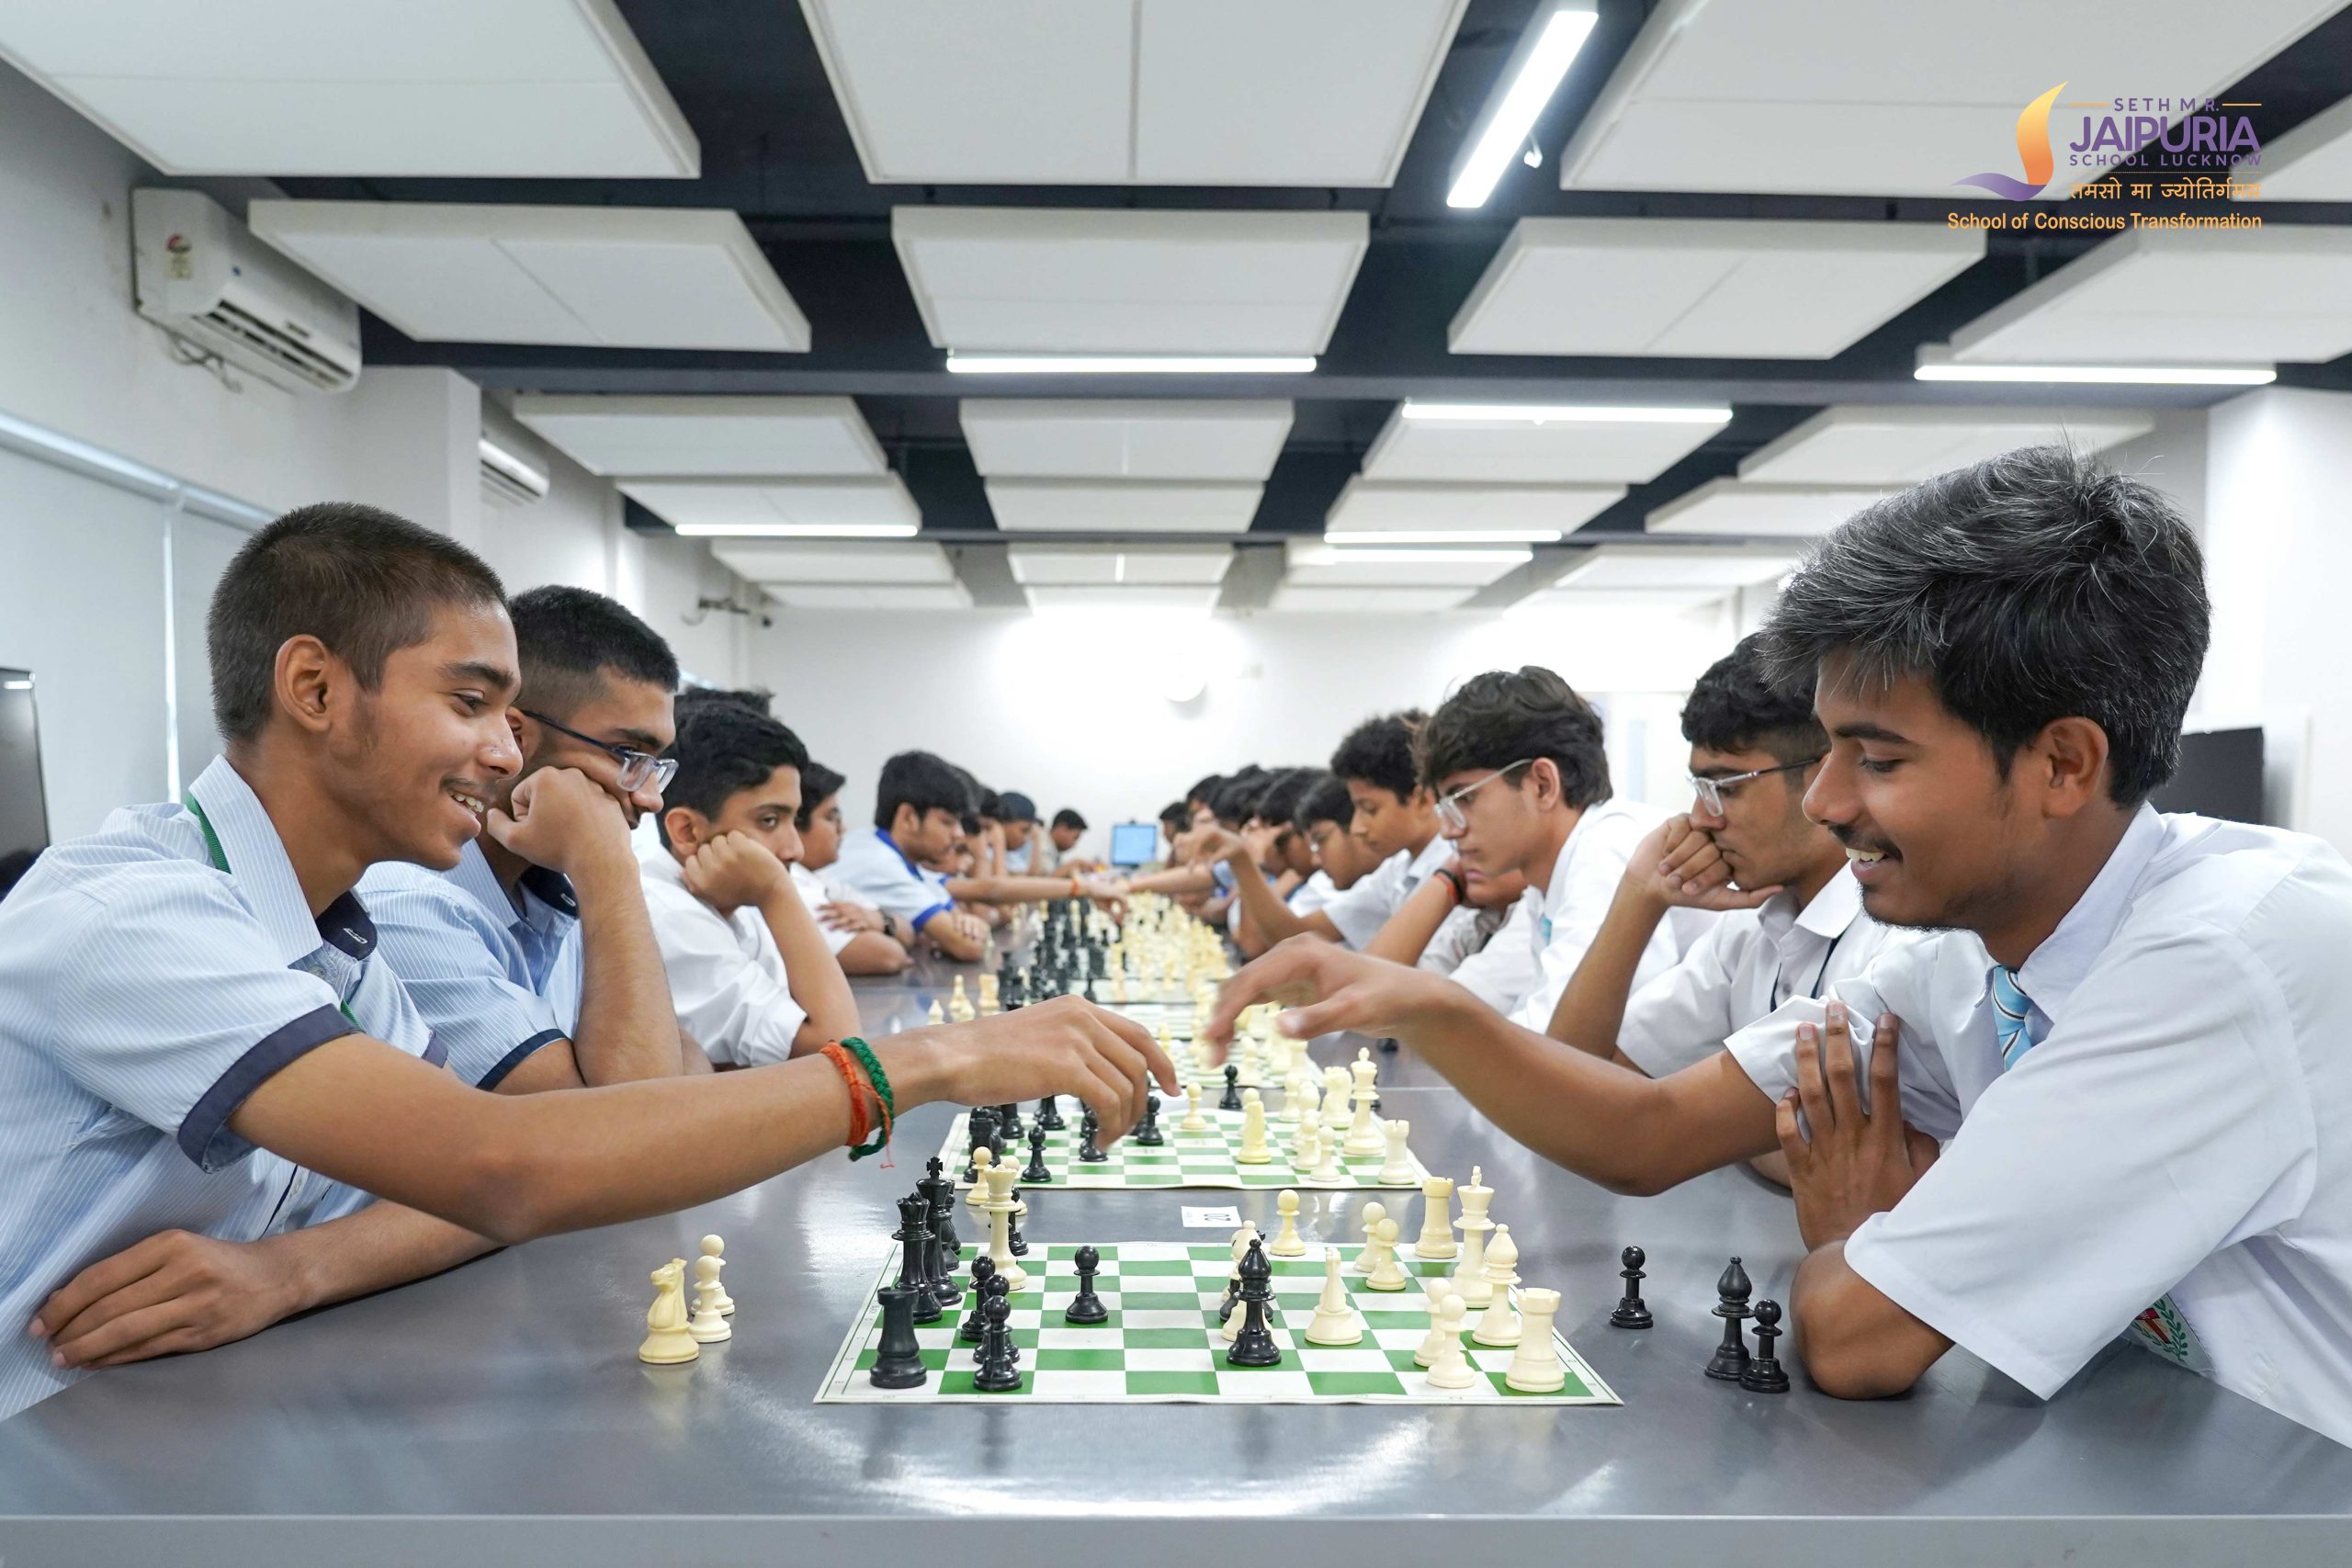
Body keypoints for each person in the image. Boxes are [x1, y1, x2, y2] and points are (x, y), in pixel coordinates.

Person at [1204, 446, 2352, 1450]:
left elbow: (1854, 1340)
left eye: (1878, 760)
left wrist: (1858, 1237)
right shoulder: (1959, 955)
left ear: (2061, 764)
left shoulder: (2220, 960)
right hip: (2156, 1461)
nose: (1829, 802)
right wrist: (1426, 1005)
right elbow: (1648, 1134)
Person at [0, 502, 1172, 1417]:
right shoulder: (132, 916)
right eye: (471, 704)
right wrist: (923, 1063)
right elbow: (506, 1168)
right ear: (313, 688)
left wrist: (293, 1271)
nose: (504, 754)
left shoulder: (336, 945)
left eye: (510, 718)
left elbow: (490, 1184)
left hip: (155, 1425)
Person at [1545, 634, 1907, 1186]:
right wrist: (1639, 897)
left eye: (1726, 788)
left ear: (1822, 778)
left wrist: (1717, 1136)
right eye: (1699, 788)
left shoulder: (1896, 935)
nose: (1700, 818)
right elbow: (1573, 1095)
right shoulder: (1749, 929)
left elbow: (1872, 1174)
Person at [359, 584, 696, 1093]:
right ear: (515, 736)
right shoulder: (406, 905)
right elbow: (639, 1112)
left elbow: (677, 1052)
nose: (650, 799)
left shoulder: (557, 893)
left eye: (655, 766)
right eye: (628, 755)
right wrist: (607, 867)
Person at [639, 703, 865, 1067]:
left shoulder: (734, 900)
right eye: (770, 820)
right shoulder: (667, 915)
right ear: (688, 831)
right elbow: (840, 1051)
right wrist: (776, 892)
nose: (795, 849)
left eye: (794, 820)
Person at [831, 751, 1125, 962]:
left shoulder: (889, 855)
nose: (959, 834)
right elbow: (968, 945)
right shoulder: (879, 863)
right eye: (947, 822)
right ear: (908, 817)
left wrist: (1084, 888)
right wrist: (962, 926)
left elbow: (988, 891)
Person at [1208, 715, 1452, 953]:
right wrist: (1242, 859)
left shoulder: (1450, 863)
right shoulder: (1397, 868)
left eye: (1369, 809)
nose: (1357, 827)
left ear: (1422, 801)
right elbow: (1295, 935)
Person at [790, 760, 913, 976]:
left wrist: (879, 921)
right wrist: (885, 926)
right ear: (795, 824)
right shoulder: (795, 884)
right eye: (831, 818)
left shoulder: (820, 878)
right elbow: (888, 956)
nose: (842, 829)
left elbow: (908, 932)